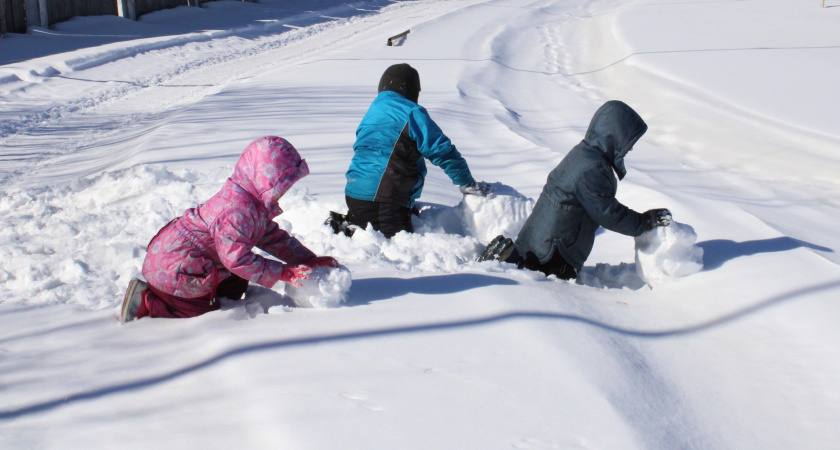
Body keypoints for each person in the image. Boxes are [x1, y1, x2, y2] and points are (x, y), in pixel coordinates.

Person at [120, 136, 339, 322]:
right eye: (281, 186)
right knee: (201, 310)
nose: (284, 192)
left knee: (236, 284)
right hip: (173, 268)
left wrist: (306, 260)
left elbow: (271, 238)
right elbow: (236, 260)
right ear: (264, 180)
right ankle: (147, 302)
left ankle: (196, 294)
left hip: (190, 262)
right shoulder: (237, 210)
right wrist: (283, 273)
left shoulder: (250, 203)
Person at [477, 100, 671, 280]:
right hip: (551, 254)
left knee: (529, 265)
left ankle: (510, 259)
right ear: (615, 135)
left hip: (538, 243)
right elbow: (606, 213)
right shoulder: (593, 168)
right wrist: (644, 222)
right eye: (628, 142)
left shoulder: (585, 154)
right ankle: (508, 263)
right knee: (537, 278)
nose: (630, 149)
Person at [337, 63, 488, 238]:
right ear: (411, 90)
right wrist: (467, 183)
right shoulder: (411, 112)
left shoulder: (373, 112)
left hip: (354, 194)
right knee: (395, 256)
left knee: (365, 241)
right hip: (383, 200)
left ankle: (342, 226)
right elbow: (443, 151)